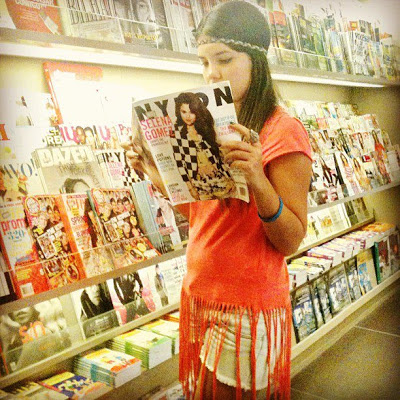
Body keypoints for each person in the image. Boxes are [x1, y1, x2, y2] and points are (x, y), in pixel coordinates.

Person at [128, 2, 312, 399]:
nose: (211, 73)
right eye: (204, 62)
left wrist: (257, 179)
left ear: (256, 61)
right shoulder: (210, 123)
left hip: (245, 304)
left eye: (224, 60)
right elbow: (200, 212)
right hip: (200, 293)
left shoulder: (283, 130)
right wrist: (151, 170)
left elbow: (290, 239)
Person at [171, 91, 236, 201]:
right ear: (179, 111)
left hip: (217, 174)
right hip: (198, 180)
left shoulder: (204, 128)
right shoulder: (176, 133)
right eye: (184, 112)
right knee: (208, 209)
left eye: (192, 112)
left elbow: (217, 155)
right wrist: (190, 187)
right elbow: (179, 162)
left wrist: (229, 177)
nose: (188, 116)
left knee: (229, 206)